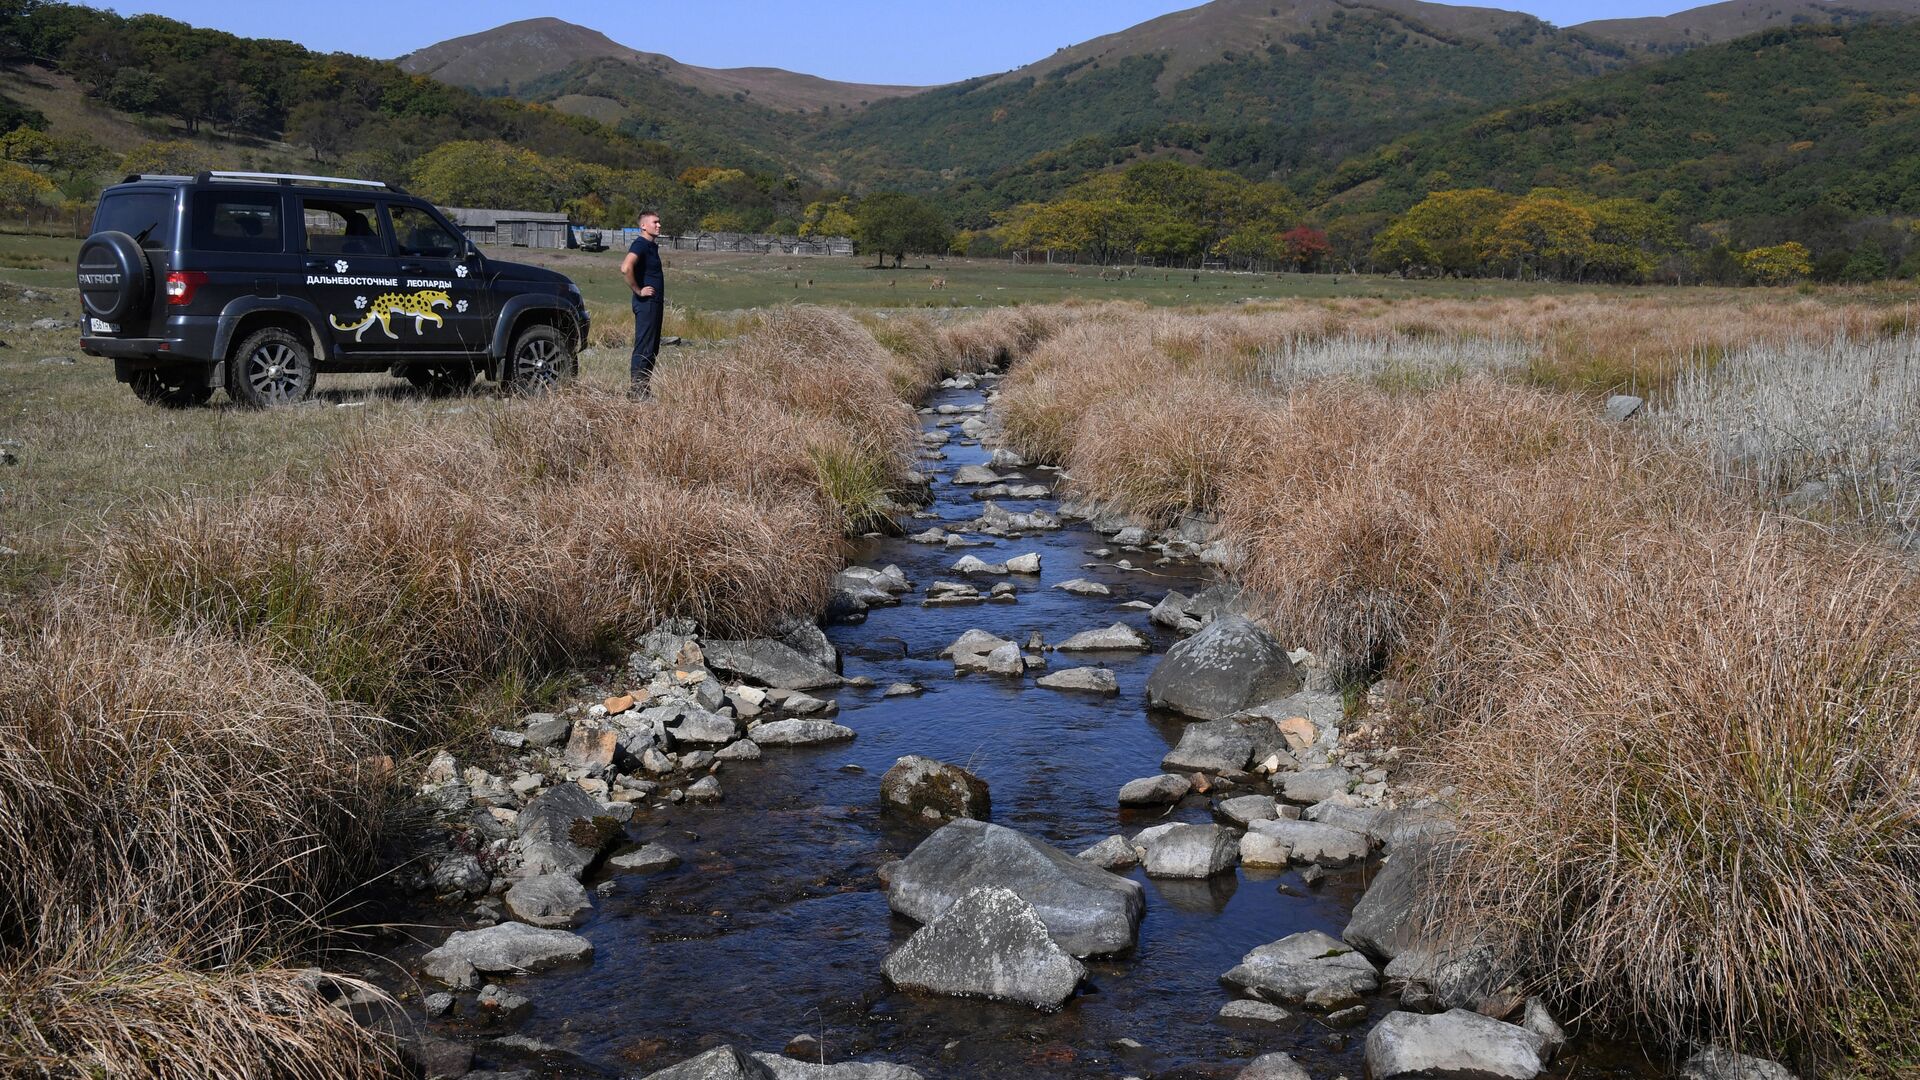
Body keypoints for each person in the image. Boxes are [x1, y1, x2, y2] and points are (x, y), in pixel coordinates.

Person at [621, 210, 666, 395]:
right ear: (643, 226)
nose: (659, 225)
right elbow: (625, 267)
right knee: (645, 346)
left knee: (652, 346)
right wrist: (638, 290)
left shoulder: (650, 246)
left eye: (659, 221)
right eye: (655, 222)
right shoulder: (640, 244)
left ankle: (643, 389)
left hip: (654, 304)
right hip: (646, 304)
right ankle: (637, 390)